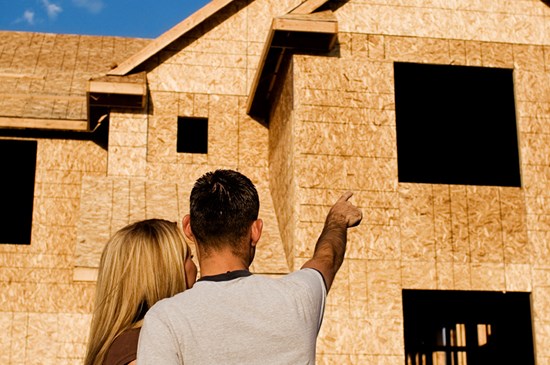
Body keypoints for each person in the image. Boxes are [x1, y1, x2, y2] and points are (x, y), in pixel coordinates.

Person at [137, 169, 362, 364]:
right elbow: (327, 258)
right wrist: (337, 219)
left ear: (188, 227)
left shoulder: (164, 319)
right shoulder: (299, 298)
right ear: (256, 231)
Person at [84, 219, 197, 365]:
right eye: (189, 257)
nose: (196, 267)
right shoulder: (142, 352)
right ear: (168, 272)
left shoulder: (127, 345)